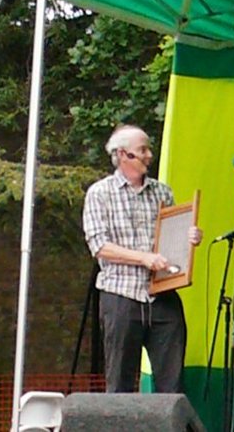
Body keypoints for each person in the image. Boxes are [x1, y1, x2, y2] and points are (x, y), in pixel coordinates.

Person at [82, 123, 203, 393]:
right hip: (120, 296)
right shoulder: (99, 193)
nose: (149, 155)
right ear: (123, 155)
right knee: (121, 384)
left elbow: (172, 239)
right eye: (143, 150)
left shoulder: (162, 191)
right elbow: (100, 245)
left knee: (172, 384)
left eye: (149, 149)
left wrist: (190, 236)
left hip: (163, 295)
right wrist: (144, 258)